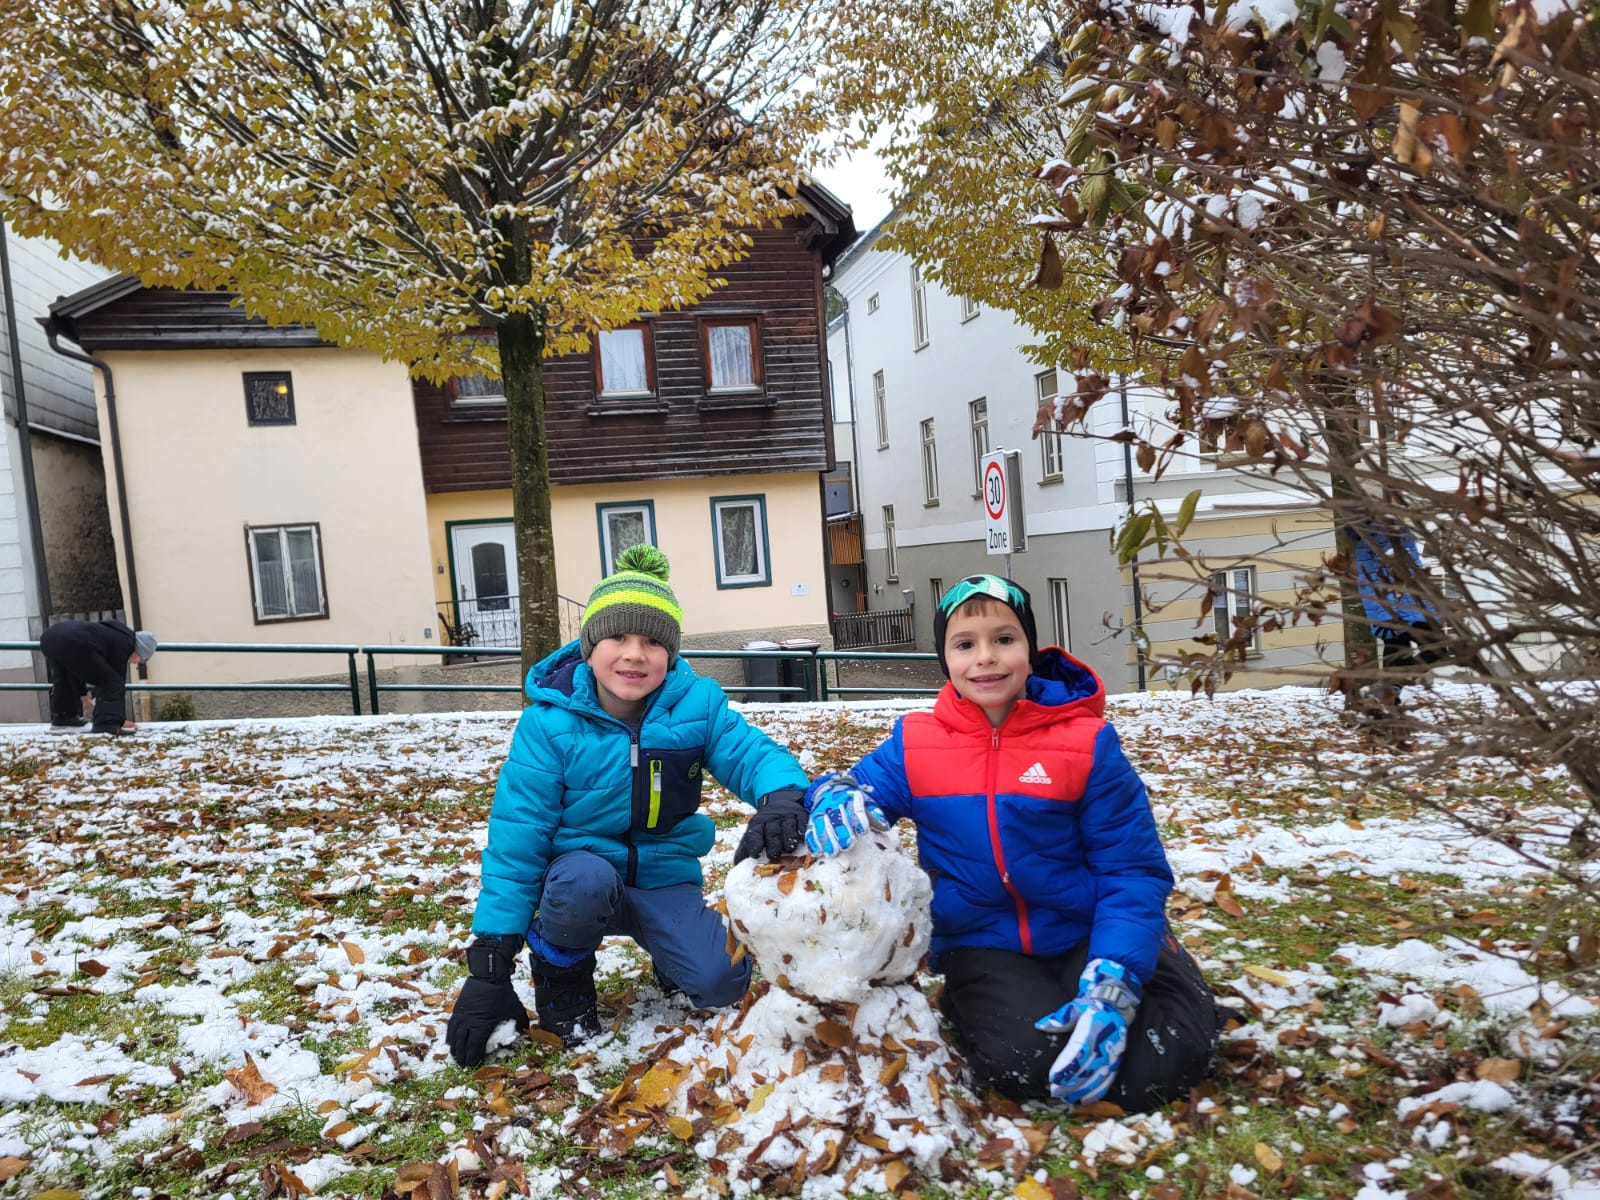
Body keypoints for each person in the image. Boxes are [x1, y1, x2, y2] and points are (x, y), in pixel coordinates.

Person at [803, 574, 1226, 1113]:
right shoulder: (917, 744)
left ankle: (1158, 966)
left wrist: (1113, 981)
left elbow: (1131, 869)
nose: (986, 657)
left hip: (1086, 929)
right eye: (965, 644)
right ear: (945, 659)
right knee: (1024, 1063)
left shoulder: (1086, 744)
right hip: (984, 942)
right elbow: (857, 789)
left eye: (1004, 639)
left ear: (1030, 649)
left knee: (1160, 1065)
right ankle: (974, 1004)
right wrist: (834, 795)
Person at [445, 545, 811, 1069]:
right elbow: (517, 838)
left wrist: (783, 795)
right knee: (583, 880)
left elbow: (752, 755)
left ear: (671, 654)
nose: (634, 654)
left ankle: (671, 951)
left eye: (653, 641)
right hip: (579, 879)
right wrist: (490, 964)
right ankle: (562, 971)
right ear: (590, 645)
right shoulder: (548, 725)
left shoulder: (697, 706)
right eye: (617, 637)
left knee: (722, 981)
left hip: (662, 877)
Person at [1350, 521, 1450, 708]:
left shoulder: (1374, 538)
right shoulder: (1390, 533)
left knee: (1415, 652)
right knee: (1433, 650)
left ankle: (1389, 690)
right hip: (1402, 609)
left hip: (1397, 609)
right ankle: (1389, 693)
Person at [37, 618, 157, 734]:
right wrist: (120, 720)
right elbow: (115, 681)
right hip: (72, 642)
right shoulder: (125, 644)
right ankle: (107, 724)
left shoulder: (115, 634)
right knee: (113, 682)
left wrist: (84, 696)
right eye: (142, 659)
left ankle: (64, 716)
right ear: (140, 650)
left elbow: (75, 670)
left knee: (65, 676)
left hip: (50, 637)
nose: (136, 663)